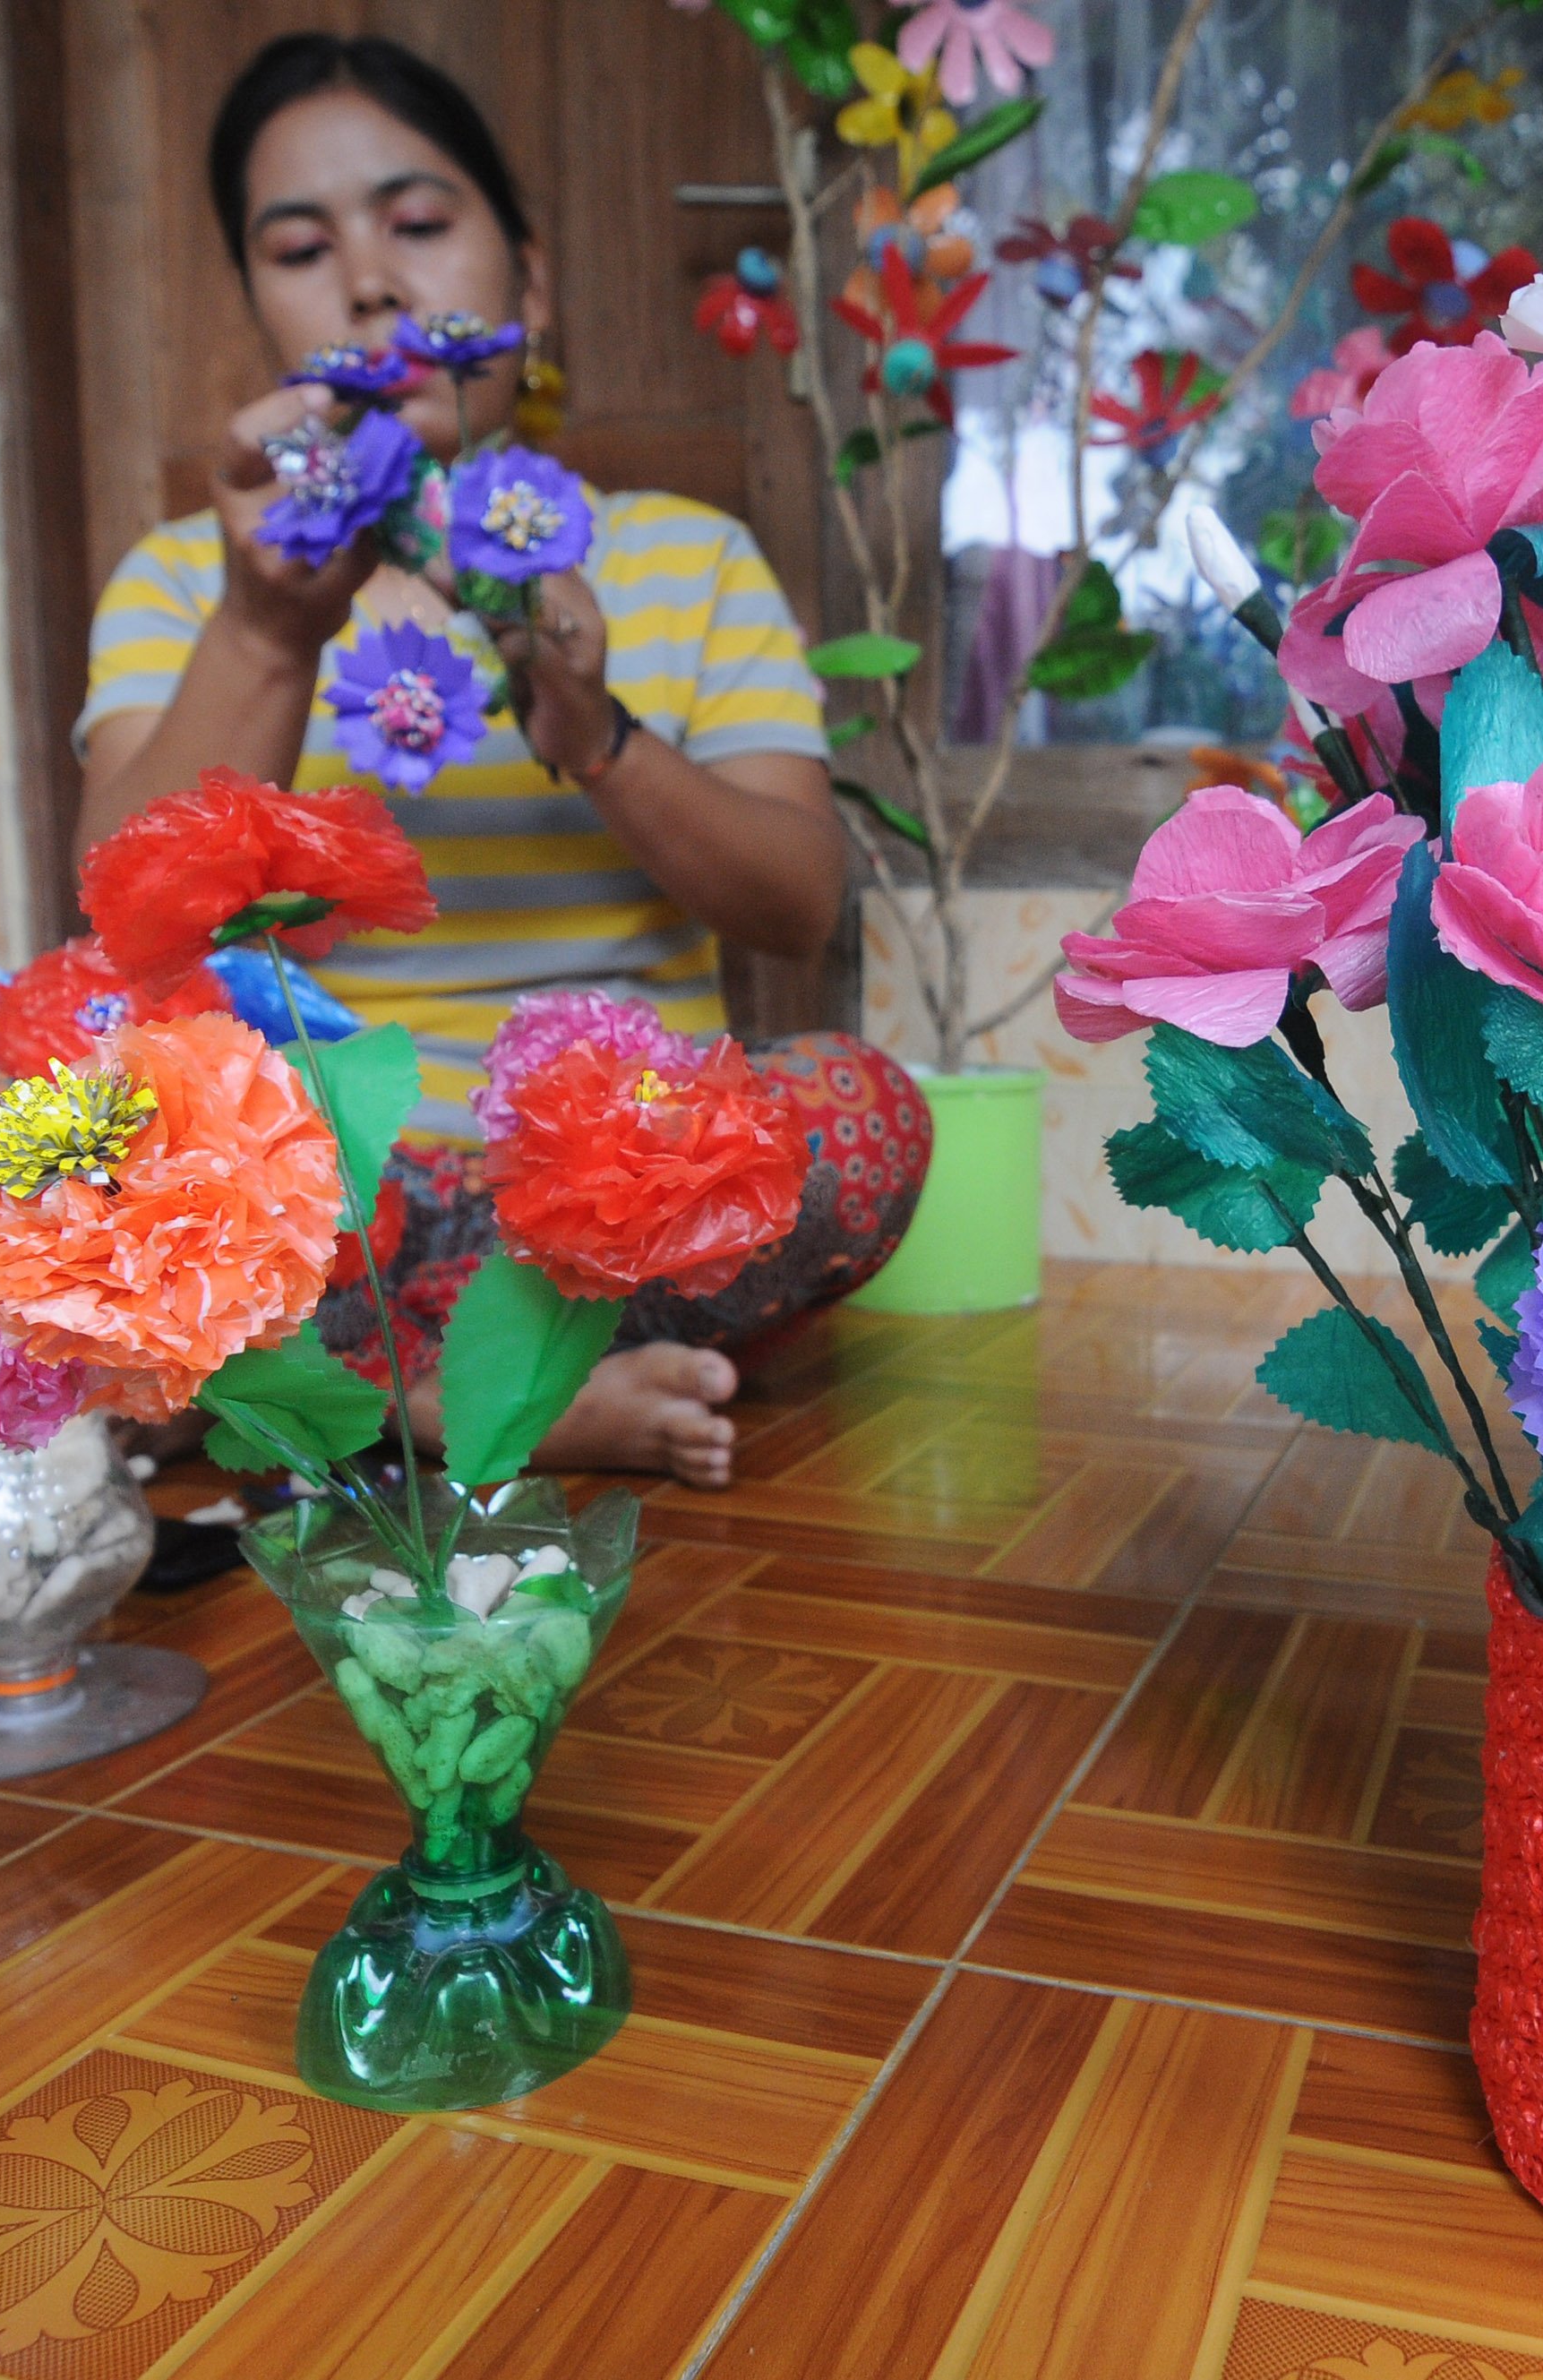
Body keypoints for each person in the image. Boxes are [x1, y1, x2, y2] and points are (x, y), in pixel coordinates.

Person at [73, 32, 923, 1488]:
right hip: (318, 1198)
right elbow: (120, 929)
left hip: (599, 1199)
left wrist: (592, 734)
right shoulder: (186, 584)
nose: (370, 282)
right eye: (300, 245)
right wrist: (272, 632)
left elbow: (798, 902)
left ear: (528, 284)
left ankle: (339, 1384)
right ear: (260, 307)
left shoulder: (682, 560)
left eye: (418, 223)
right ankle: (454, 1399)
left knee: (868, 1110)